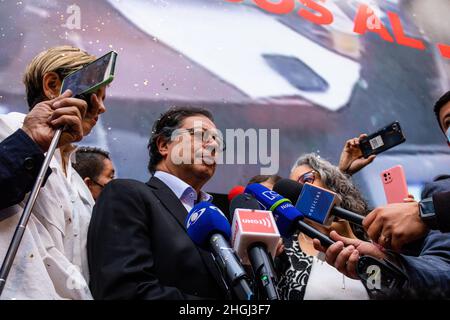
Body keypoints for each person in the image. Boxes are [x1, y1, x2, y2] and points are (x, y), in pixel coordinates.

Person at [88, 106, 229, 300]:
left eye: (217, 141)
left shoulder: (220, 217)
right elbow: (125, 291)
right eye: (200, 135)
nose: (212, 145)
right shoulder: (127, 195)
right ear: (164, 145)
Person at [0, 46, 107, 300]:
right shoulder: (6, 129)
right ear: (51, 85)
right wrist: (30, 142)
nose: (102, 108)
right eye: (97, 94)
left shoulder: (79, 183)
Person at [276, 153, 370, 300]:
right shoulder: (284, 247)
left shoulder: (370, 235)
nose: (300, 191)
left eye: (306, 179)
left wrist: (351, 240)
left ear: (330, 183)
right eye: (293, 188)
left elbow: (388, 286)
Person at [0, 97, 84, 211]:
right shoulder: (8, 125)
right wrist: (31, 139)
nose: (101, 108)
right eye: (89, 96)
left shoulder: (75, 175)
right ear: (50, 84)